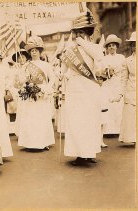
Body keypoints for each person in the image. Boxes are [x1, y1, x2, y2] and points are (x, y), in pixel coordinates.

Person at [61, 10, 103, 165]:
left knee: (90, 121)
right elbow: (63, 70)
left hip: (89, 88)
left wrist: (83, 43)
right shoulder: (70, 50)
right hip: (74, 88)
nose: (79, 35)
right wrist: (63, 77)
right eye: (77, 32)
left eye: (83, 32)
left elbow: (99, 58)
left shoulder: (94, 47)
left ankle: (89, 152)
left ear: (88, 33)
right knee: (76, 121)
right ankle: (78, 154)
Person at [14, 36, 56, 151]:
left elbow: (52, 78)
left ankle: (43, 142)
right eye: (32, 51)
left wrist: (46, 89)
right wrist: (22, 78)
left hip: (42, 93)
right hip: (30, 94)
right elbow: (21, 81)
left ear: (40, 51)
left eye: (36, 50)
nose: (34, 53)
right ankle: (30, 143)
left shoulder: (46, 65)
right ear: (29, 52)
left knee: (42, 118)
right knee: (30, 118)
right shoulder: (26, 65)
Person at [101, 34, 126, 139]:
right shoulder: (104, 59)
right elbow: (102, 71)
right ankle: (108, 130)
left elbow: (124, 72)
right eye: (109, 45)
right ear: (107, 48)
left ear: (117, 47)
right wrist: (107, 71)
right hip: (107, 84)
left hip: (118, 83)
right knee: (108, 105)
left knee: (118, 107)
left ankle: (118, 129)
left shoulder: (121, 57)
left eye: (113, 45)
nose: (112, 47)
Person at [118, 31, 136, 144]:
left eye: (136, 43)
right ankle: (133, 139)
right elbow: (124, 79)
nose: (134, 46)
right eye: (133, 44)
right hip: (131, 91)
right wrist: (120, 93)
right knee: (131, 117)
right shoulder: (127, 60)